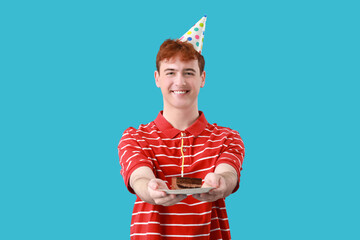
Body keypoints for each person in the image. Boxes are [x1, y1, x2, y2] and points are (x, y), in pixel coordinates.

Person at [118, 16, 245, 240]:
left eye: (188, 72)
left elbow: (228, 172)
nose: (180, 81)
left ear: (202, 78)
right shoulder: (135, 137)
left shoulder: (228, 137)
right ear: (157, 78)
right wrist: (150, 188)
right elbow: (139, 177)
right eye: (170, 72)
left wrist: (221, 182)